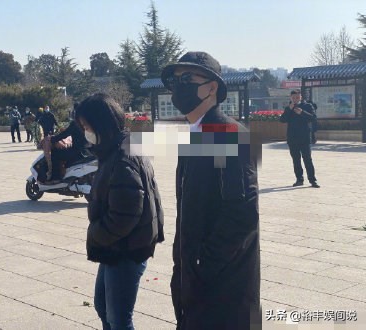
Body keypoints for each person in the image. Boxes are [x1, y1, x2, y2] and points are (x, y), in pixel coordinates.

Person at [161, 51, 261, 330]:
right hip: (197, 284)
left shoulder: (227, 134)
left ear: (212, 87)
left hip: (223, 292)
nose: (180, 86)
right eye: (176, 80)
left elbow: (241, 215)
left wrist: (201, 266)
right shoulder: (197, 134)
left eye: (187, 78)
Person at [74, 93, 164, 330]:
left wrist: (96, 233)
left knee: (119, 319)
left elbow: (125, 215)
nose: (85, 132)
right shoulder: (116, 148)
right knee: (103, 306)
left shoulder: (122, 158)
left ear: (102, 123)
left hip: (126, 249)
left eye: (86, 126)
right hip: (118, 247)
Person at [280, 90, 320, 188]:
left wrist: (302, 112)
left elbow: (313, 118)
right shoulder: (288, 108)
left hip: (304, 138)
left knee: (307, 159)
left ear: (301, 97)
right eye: (293, 98)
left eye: (297, 97)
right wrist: (289, 109)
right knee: (296, 160)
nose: (295, 99)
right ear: (290, 98)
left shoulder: (308, 106)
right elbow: (282, 120)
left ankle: (312, 180)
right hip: (292, 138)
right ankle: (299, 179)